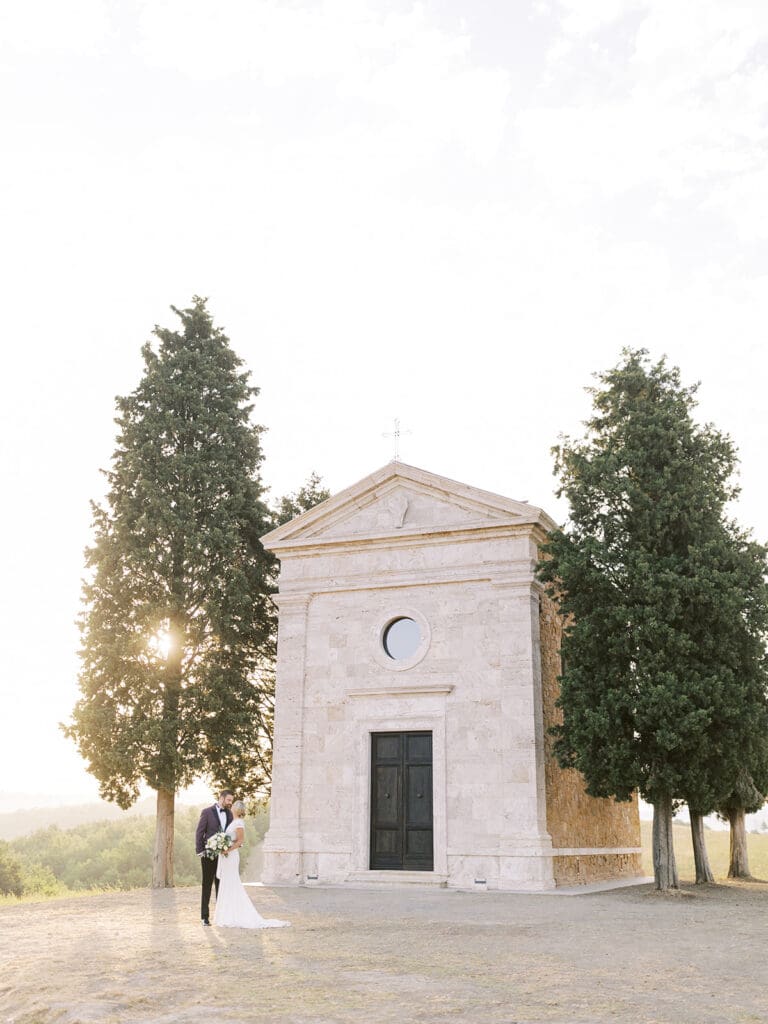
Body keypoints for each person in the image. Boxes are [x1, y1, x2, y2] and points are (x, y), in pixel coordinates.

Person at [213, 800, 290, 929]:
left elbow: (240, 841)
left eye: (233, 806)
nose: (230, 807)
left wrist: (227, 849)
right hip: (226, 856)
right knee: (226, 882)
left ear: (236, 809)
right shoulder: (233, 822)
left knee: (232, 881)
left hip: (231, 856)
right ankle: (226, 913)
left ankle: (234, 914)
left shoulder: (238, 823)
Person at [195, 789, 234, 926]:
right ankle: (204, 917)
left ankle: (220, 916)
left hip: (223, 856)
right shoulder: (207, 812)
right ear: (221, 798)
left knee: (220, 885)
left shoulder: (229, 814)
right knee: (207, 885)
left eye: (231, 801)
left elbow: (230, 832)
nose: (230, 803)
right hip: (207, 854)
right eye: (229, 800)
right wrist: (200, 850)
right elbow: (199, 832)